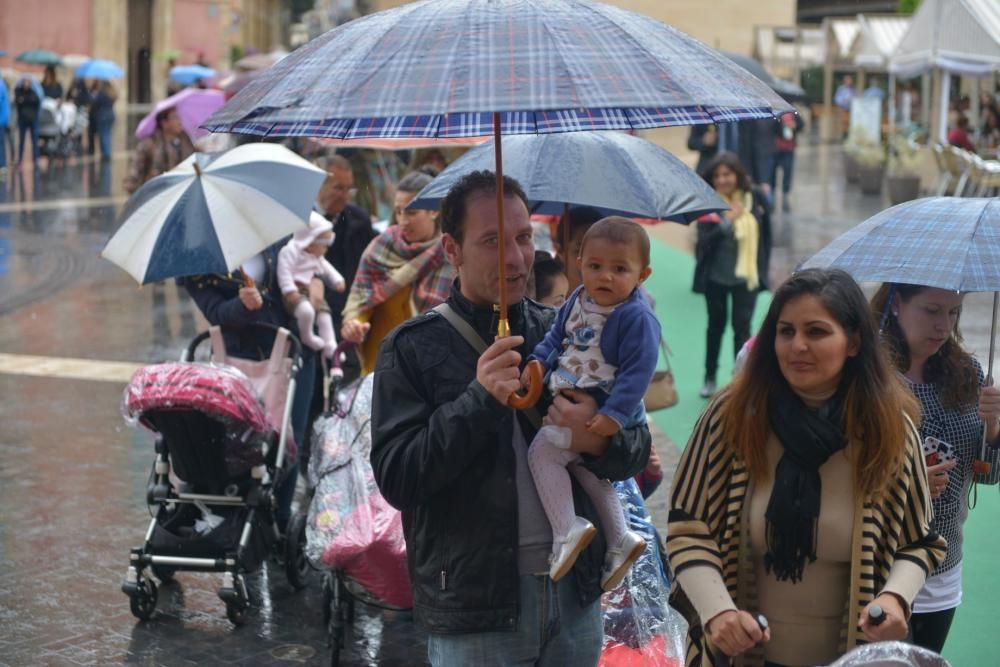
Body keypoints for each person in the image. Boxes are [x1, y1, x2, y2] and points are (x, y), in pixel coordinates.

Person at [371, 170, 651, 666]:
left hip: (574, 597)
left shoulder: (567, 330)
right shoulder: (412, 348)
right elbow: (399, 478)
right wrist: (478, 399)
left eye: (523, 237)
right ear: (452, 250)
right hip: (476, 611)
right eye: (492, 241)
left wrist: (599, 440)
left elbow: (637, 449)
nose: (516, 258)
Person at [669, 268, 946, 667]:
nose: (797, 346)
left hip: (850, 657)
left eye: (816, 332)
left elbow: (919, 543)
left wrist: (894, 597)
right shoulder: (730, 416)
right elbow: (687, 527)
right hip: (740, 659)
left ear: (853, 342)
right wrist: (718, 612)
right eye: (785, 331)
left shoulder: (890, 429)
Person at [524, 217, 659, 592]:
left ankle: (566, 528)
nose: (605, 277)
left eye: (620, 269)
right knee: (586, 467)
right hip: (577, 392)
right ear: (579, 262)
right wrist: (537, 361)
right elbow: (555, 338)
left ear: (642, 274)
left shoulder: (635, 314)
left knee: (543, 455)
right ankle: (620, 536)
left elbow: (639, 370)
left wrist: (613, 415)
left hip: (604, 402)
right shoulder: (576, 301)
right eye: (596, 266)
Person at [871, 283, 1000, 653]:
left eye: (954, 312)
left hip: (943, 564)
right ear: (896, 304)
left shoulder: (968, 373)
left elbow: (987, 475)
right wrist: (906, 485)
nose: (944, 325)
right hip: (875, 563)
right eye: (932, 311)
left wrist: (994, 428)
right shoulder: (865, 377)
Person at [182, 245, 320, 529]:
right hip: (239, 363)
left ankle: (281, 522)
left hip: (292, 352)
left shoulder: (270, 231)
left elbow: (308, 265)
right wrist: (241, 305)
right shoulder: (196, 257)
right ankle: (250, 521)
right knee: (247, 442)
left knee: (289, 437)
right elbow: (215, 312)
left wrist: (311, 291)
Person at [340, 171, 454, 375]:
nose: (403, 220)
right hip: (380, 371)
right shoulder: (381, 247)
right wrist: (355, 325)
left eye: (411, 212)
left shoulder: (451, 254)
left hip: (431, 372)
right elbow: (364, 302)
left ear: (434, 211)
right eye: (398, 211)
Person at [693, 152, 772, 398]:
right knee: (715, 328)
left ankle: (740, 379)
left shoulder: (753, 199)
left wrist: (762, 271)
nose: (722, 180)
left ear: (737, 175)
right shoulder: (709, 204)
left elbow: (766, 236)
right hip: (716, 278)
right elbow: (703, 244)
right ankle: (709, 377)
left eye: (727, 174)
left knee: (742, 329)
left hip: (745, 279)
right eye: (717, 175)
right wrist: (726, 221)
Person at [316, 154, 376, 336]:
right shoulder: (300, 221)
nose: (344, 196)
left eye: (348, 189)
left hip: (348, 316)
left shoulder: (359, 221)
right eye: (338, 188)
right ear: (318, 185)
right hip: (313, 313)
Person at [277, 213, 346, 359]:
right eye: (324, 244)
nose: (326, 249)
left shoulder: (317, 257)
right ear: (309, 241)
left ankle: (331, 345)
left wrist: (337, 280)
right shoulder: (290, 251)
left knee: (325, 315)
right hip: (297, 291)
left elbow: (328, 269)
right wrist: (289, 290)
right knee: (306, 312)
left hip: (312, 289)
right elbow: (284, 272)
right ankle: (307, 335)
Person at [124, 106, 195, 193]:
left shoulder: (186, 141)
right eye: (175, 118)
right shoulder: (150, 144)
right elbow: (134, 171)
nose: (179, 122)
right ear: (164, 123)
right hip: (156, 193)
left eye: (179, 117)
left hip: (182, 192)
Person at [769, 112, 804, 212]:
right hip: (775, 149)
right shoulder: (776, 114)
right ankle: (772, 197)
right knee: (772, 174)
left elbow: (801, 125)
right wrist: (782, 125)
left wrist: (794, 126)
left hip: (789, 149)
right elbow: (772, 128)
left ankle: (785, 196)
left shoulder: (794, 113)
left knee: (787, 172)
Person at [14, 79, 41, 167]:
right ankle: (20, 160)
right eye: (24, 82)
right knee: (21, 141)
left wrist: (25, 100)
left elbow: (36, 102)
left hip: (32, 120)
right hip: (22, 120)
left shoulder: (33, 92)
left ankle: (36, 159)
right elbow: (17, 103)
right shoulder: (19, 92)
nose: (26, 84)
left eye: (27, 82)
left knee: (34, 140)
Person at [90, 81, 116, 160]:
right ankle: (107, 152)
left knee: (104, 135)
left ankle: (106, 153)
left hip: (102, 116)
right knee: (107, 134)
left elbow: (95, 102)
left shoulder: (101, 93)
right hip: (110, 115)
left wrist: (94, 95)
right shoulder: (112, 93)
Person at [0, 79, 9, 175]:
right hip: (3, 119)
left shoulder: (0, 86)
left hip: (1, 120)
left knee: (1, 143)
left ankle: (2, 165)